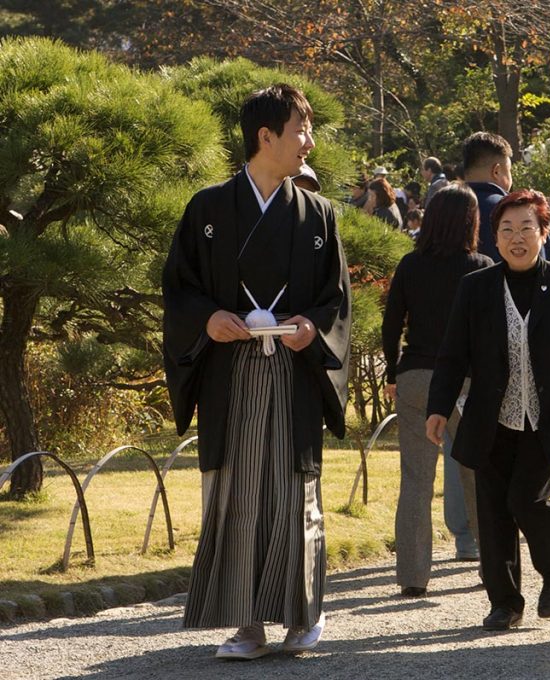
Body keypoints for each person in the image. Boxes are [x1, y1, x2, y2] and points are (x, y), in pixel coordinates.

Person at [162, 83, 351, 659]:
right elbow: (178, 288)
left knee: (295, 493)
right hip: (231, 369)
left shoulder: (318, 214)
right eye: (301, 130)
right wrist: (209, 318)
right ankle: (246, 623)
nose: (308, 142)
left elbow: (335, 300)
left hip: (293, 372)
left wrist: (311, 330)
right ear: (265, 136)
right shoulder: (209, 208)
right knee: (237, 492)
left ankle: (302, 618)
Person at [425, 190, 550, 631]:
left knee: (527, 498)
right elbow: (452, 354)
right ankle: (504, 602)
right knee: (494, 510)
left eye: (526, 228)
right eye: (506, 230)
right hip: (490, 417)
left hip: (545, 417)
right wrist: (438, 408)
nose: (516, 238)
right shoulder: (476, 287)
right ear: (494, 239)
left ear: (543, 233)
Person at [382, 185, 493, 597]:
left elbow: (391, 325)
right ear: (470, 221)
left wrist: (392, 372)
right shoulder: (480, 266)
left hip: (415, 376)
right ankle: (492, 566)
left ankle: (413, 576)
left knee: (415, 479)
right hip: (464, 381)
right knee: (475, 473)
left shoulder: (410, 265)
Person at [462, 131, 550, 264]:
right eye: (509, 170)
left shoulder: (440, 206)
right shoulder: (514, 210)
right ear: (496, 171)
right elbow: (547, 266)